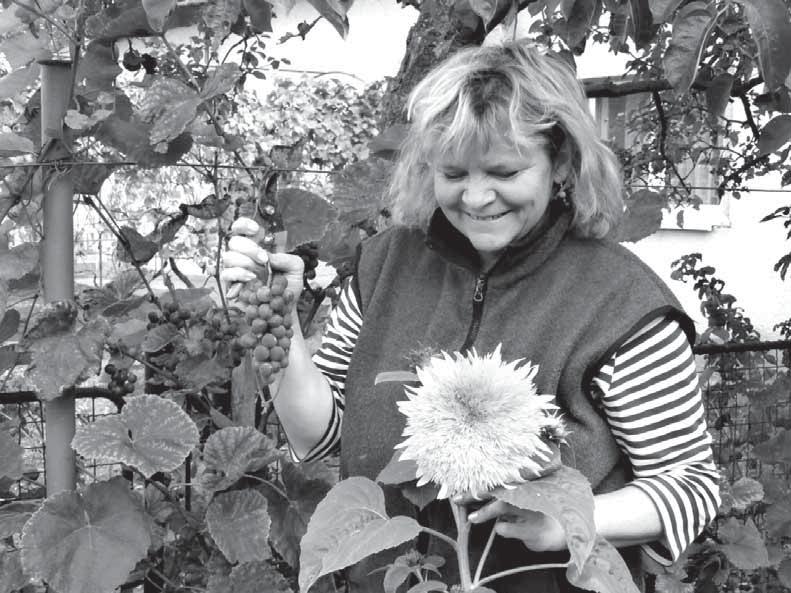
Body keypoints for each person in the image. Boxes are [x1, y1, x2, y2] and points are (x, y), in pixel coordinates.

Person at [222, 40, 721, 593]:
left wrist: (569, 522)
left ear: (560, 163)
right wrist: (281, 325)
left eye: (504, 170)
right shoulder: (386, 265)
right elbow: (323, 435)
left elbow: (690, 488)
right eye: (454, 172)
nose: (477, 197)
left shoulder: (618, 303)